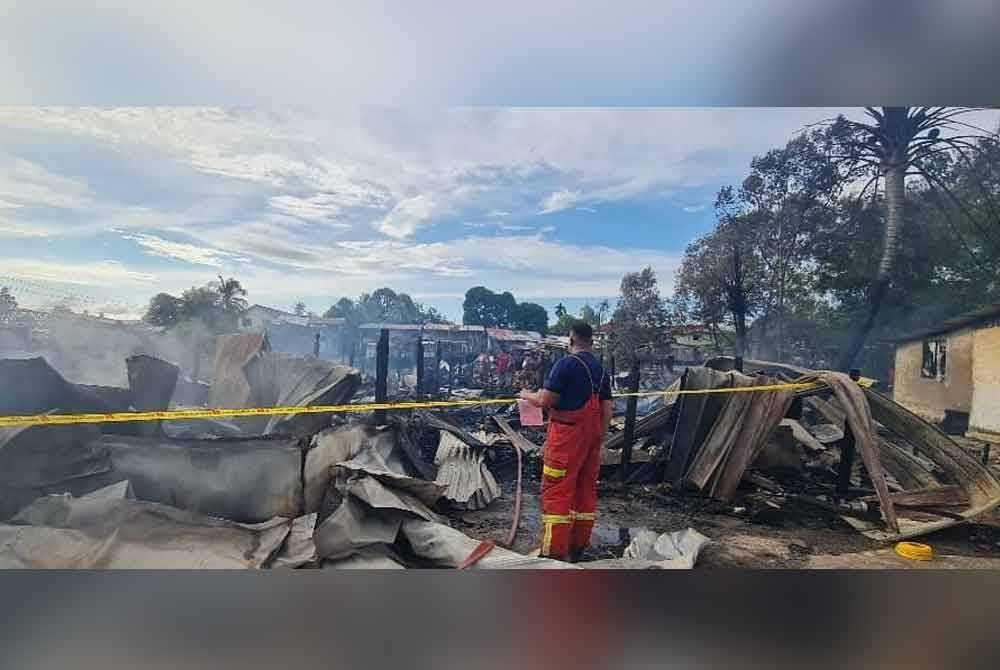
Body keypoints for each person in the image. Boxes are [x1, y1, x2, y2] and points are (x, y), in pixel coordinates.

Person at [519, 322, 613, 562]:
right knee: (584, 491)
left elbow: (546, 400)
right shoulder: (601, 371)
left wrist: (527, 395)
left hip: (566, 439)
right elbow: (607, 409)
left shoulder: (566, 364)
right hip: (591, 440)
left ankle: (554, 553)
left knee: (556, 491)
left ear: (571, 340)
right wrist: (598, 442)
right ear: (591, 342)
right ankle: (578, 546)